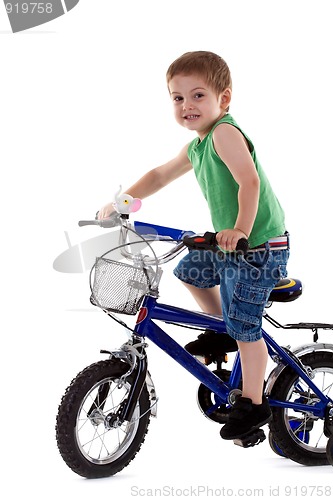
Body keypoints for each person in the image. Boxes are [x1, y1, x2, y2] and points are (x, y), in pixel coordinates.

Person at [98, 51, 289, 440]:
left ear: (224, 99)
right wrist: (121, 205)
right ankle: (223, 331)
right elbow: (159, 175)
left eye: (198, 95)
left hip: (260, 246)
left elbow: (249, 182)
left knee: (245, 325)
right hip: (233, 244)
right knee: (191, 272)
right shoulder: (198, 145)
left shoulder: (224, 133)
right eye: (178, 98)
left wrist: (239, 228)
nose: (187, 105)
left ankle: (253, 404)